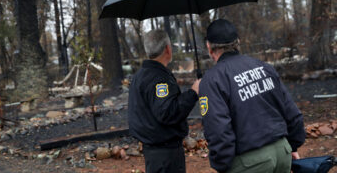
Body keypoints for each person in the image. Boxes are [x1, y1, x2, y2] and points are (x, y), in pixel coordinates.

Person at [198, 19, 305, 173]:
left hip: (249, 163)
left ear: (209, 47)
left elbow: (218, 130)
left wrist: (221, 164)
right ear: (238, 42)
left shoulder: (212, 80)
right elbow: (292, 113)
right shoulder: (263, 67)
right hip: (282, 152)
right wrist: (291, 146)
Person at [128, 29, 201, 173]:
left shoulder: (141, 76)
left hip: (154, 152)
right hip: (165, 155)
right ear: (168, 48)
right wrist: (193, 93)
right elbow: (168, 112)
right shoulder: (158, 79)